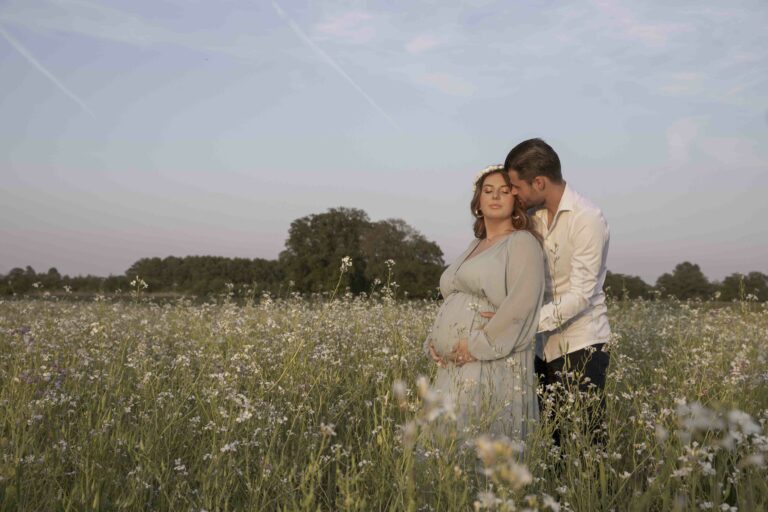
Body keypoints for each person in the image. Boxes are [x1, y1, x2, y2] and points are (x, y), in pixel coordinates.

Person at [489, 138, 612, 446]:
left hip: (582, 343)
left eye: (516, 186)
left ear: (539, 182)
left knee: (589, 443)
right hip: (541, 345)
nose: (514, 193)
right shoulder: (534, 218)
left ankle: (594, 495)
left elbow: (581, 294)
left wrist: (523, 323)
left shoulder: (587, 218)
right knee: (548, 439)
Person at [424, 165, 545, 442]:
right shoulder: (474, 245)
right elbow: (453, 299)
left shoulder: (522, 242)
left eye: (505, 191)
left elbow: (521, 306)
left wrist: (476, 345)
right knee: (445, 446)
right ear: (477, 201)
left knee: (480, 441)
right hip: (453, 365)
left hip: (491, 361)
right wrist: (435, 340)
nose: (495, 197)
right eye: (488, 191)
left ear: (516, 201)